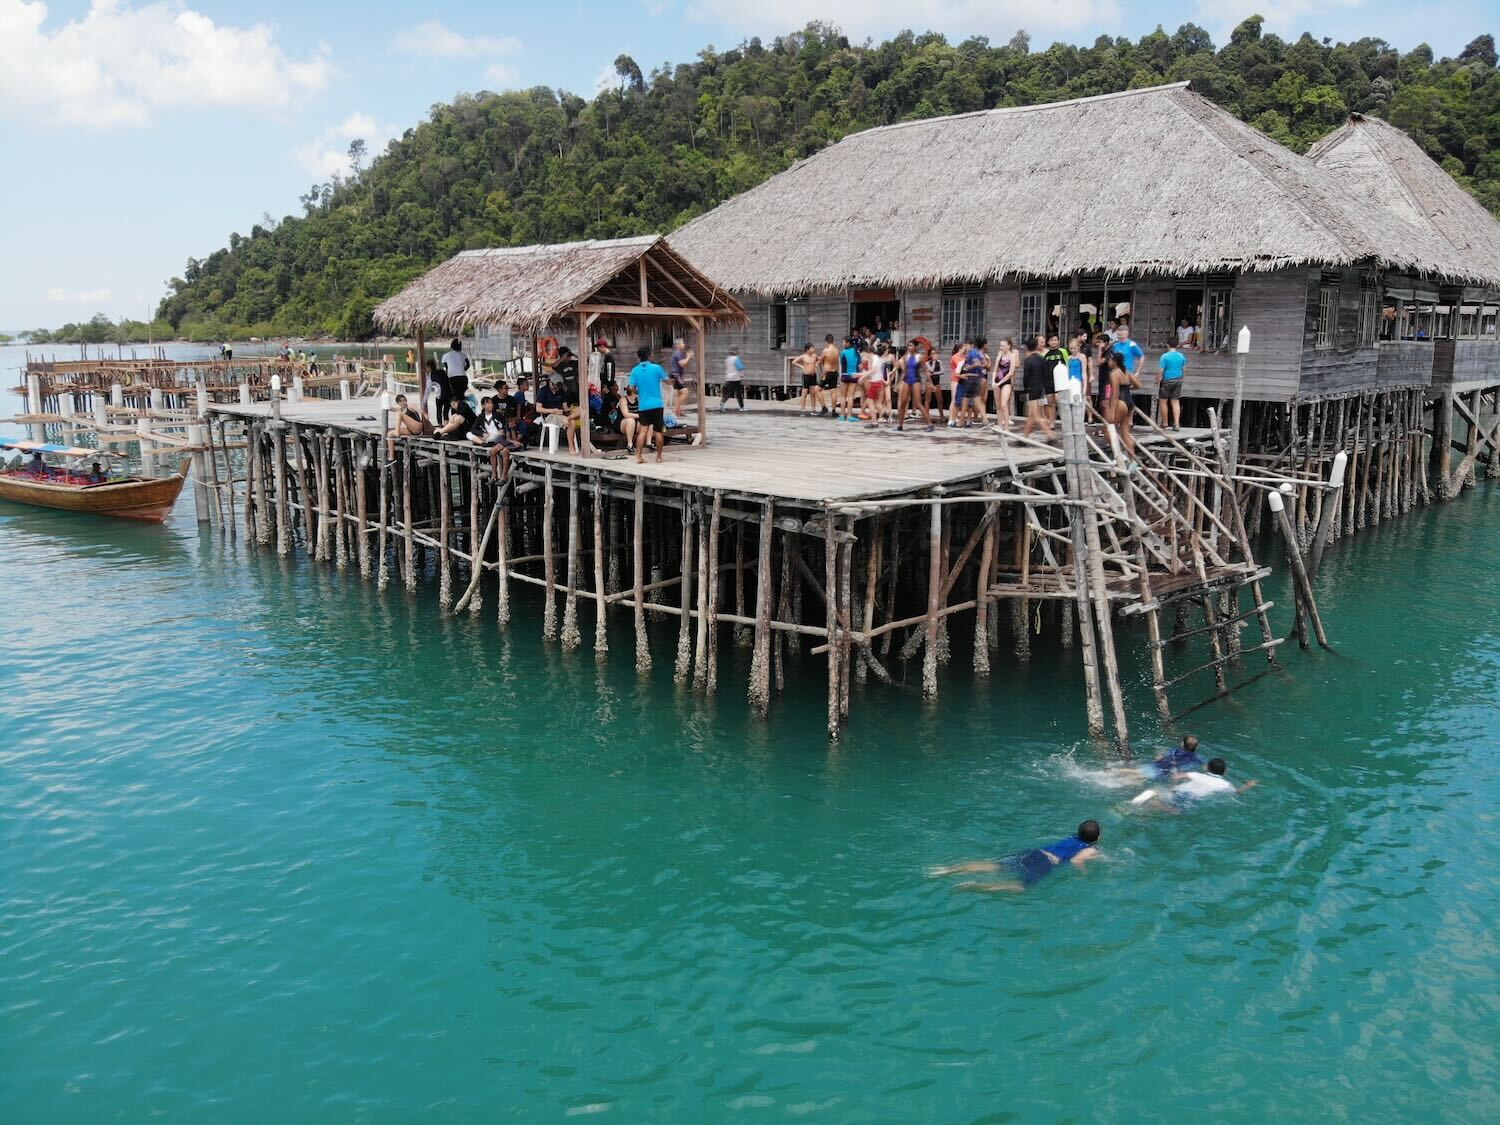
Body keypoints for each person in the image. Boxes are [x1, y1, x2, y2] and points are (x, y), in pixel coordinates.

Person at [929, 820, 1103, 893]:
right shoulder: (1091, 848)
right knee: (1021, 887)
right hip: (1047, 862)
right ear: (1097, 838)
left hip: (1035, 852)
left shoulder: (1071, 837)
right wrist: (1083, 873)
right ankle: (975, 886)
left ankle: (947, 870)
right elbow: (1076, 860)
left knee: (995, 865)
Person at [1134, 758, 1257, 813]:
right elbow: (1236, 793)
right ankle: (1154, 803)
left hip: (1179, 790)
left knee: (1166, 796)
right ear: (1224, 772)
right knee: (1176, 811)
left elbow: (1176, 776)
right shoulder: (1225, 785)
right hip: (1190, 797)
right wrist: (1248, 785)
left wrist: (1173, 786)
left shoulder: (1196, 774)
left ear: (1208, 768)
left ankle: (1149, 804)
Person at [628, 345, 671, 464]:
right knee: (658, 431)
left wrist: (639, 392)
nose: (653, 355)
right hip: (657, 405)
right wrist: (673, 380)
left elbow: (631, 388)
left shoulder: (635, 370)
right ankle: (659, 457)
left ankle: (639, 456)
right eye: (651, 354)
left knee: (643, 431)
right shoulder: (657, 368)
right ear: (648, 356)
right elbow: (668, 381)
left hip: (643, 406)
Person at [1103, 351, 1141, 460]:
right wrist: (1129, 389)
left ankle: (1119, 455)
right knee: (1125, 433)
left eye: (1110, 360)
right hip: (1130, 402)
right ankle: (1132, 460)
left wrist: (1111, 412)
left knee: (1108, 429)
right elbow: (1139, 385)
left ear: (1115, 362)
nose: (1108, 362)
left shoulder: (1114, 373)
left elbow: (1114, 394)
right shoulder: (1127, 372)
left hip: (1120, 402)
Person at [1020, 335, 1056, 441]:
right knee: (1032, 415)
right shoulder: (1041, 359)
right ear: (1036, 346)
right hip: (1041, 389)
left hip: (1033, 390)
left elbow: (1026, 377)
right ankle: (1024, 438)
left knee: (1037, 416)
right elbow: (1047, 375)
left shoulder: (1028, 360)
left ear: (1027, 348)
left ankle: (1050, 435)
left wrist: (1025, 390)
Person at [895, 341, 933, 432]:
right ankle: (900, 425)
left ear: (916, 347)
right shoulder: (905, 357)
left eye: (911, 345)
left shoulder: (920, 357)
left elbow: (926, 371)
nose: (909, 347)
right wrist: (899, 383)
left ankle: (930, 424)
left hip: (916, 380)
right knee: (903, 403)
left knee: (918, 403)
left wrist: (930, 383)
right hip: (907, 380)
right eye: (908, 345)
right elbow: (904, 372)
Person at [1157, 340, 1188, 429]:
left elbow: (1161, 370)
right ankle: (1177, 424)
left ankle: (1165, 424)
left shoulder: (1165, 356)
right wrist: (1183, 378)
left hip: (1167, 380)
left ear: (1167, 345)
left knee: (1163, 401)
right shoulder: (1181, 356)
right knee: (1175, 401)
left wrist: (1157, 380)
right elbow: (1184, 368)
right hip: (1178, 380)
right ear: (1177, 345)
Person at [991, 337, 1017, 430]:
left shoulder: (1012, 356)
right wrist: (993, 381)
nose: (1001, 347)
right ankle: (1000, 426)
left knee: (1003, 404)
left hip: (1006, 381)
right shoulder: (999, 354)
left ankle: (1006, 428)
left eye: (1003, 346)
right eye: (1000, 345)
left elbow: (1011, 373)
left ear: (1009, 346)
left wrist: (999, 383)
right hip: (997, 380)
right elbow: (995, 370)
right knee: (998, 405)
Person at [792, 343, 823, 416]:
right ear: (807, 349)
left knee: (813, 394)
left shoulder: (814, 356)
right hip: (806, 376)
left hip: (813, 376)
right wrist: (802, 366)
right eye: (812, 348)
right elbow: (794, 362)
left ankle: (813, 410)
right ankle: (802, 410)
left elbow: (820, 359)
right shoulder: (803, 356)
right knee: (804, 393)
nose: (813, 349)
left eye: (813, 348)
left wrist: (817, 363)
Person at [668, 337, 694, 417]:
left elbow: (684, 364)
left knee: (679, 393)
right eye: (682, 343)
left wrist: (687, 357)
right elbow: (682, 364)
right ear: (678, 345)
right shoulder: (677, 353)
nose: (684, 344)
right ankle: (676, 410)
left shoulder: (678, 353)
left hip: (676, 374)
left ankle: (678, 410)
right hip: (676, 375)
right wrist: (689, 356)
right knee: (685, 391)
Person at [837, 336, 861, 422]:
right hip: (854, 375)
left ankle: (842, 416)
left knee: (843, 396)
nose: (843, 344)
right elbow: (859, 365)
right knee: (851, 396)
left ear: (848, 343)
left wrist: (840, 377)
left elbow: (841, 365)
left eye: (844, 342)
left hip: (844, 375)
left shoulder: (843, 353)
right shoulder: (857, 353)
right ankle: (850, 416)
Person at [442, 338, 471, 405]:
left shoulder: (446, 355)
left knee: (454, 398)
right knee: (461, 398)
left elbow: (446, 367)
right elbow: (468, 364)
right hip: (463, 377)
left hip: (452, 378)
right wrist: (464, 369)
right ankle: (461, 412)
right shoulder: (463, 355)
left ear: (452, 346)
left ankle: (455, 413)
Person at [818, 334, 840, 412]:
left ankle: (824, 408)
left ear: (826, 342)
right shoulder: (837, 350)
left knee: (817, 389)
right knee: (833, 391)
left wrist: (822, 372)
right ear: (833, 341)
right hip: (834, 372)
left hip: (827, 372)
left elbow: (819, 362)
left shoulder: (826, 351)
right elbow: (837, 362)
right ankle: (834, 410)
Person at [720, 347, 746, 412]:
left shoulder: (727, 359)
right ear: (735, 352)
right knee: (738, 394)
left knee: (729, 393)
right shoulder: (736, 359)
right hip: (736, 378)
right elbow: (740, 367)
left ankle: (722, 402)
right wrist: (742, 375)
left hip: (728, 378)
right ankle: (742, 407)